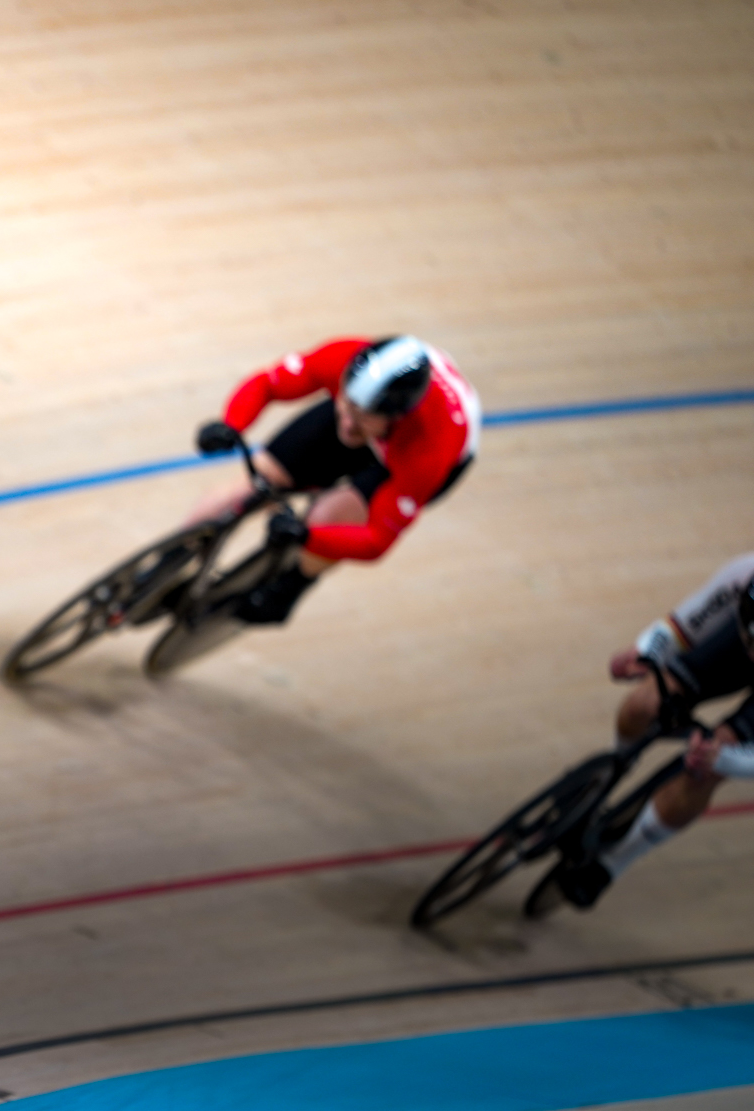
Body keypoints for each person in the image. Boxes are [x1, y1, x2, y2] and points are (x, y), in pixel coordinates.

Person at [188, 335, 481, 624]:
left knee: (328, 517)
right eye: (347, 404)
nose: (349, 423)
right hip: (384, 428)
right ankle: (173, 555)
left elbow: (377, 541)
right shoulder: (340, 359)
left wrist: (306, 536)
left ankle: (289, 588)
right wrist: (230, 423)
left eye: (364, 416)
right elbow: (267, 384)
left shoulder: (428, 450)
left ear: (397, 416)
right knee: (260, 479)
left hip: (413, 457)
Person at [547, 554, 754, 909]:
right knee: (647, 700)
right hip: (733, 641)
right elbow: (676, 630)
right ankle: (608, 774)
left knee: (707, 769)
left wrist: (722, 758)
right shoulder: (745, 574)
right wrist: (644, 654)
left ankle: (612, 864)